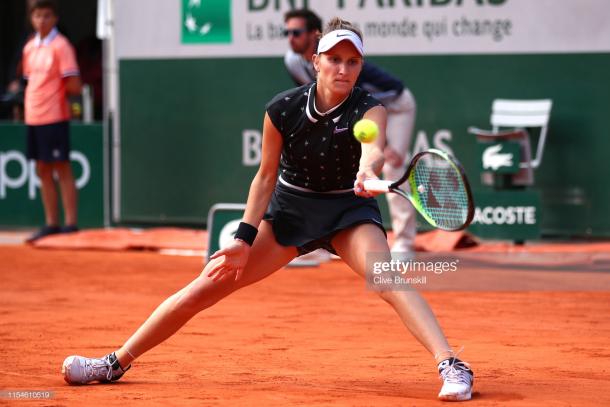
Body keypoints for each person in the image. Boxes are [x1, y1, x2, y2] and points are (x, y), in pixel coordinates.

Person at [61, 17, 474, 401]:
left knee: (387, 278)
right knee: (205, 287)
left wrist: (367, 171)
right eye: (334, 60)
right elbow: (264, 176)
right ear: (315, 62)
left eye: (352, 61)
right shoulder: (283, 109)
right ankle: (113, 363)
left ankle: (453, 366)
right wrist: (243, 237)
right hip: (290, 213)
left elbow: (374, 151)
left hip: (346, 214)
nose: (343, 69)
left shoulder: (371, 109)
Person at [284, 9, 417, 256]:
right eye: (287, 32)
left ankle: (405, 243)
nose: (291, 38)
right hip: (358, 113)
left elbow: (367, 103)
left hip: (395, 106)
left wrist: (381, 145)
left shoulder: (347, 66)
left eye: (296, 32)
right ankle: (318, 239)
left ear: (313, 35)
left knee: (393, 165)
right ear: (316, 60)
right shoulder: (292, 60)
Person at [22, 0, 81, 242]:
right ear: (31, 18)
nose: (42, 21)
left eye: (47, 16)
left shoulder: (62, 46)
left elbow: (74, 84)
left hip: (55, 115)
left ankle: (70, 224)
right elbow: (30, 81)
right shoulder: (29, 48)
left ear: (55, 18)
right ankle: (51, 223)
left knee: (62, 167)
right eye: (37, 16)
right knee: (42, 169)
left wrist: (57, 98)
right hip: (33, 116)